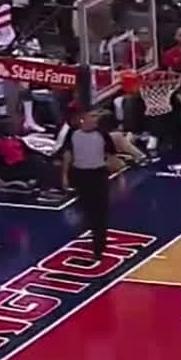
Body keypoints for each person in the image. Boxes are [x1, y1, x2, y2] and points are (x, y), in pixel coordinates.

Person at [60, 110, 118, 261]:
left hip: (98, 175)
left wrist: (112, 167)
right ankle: (93, 232)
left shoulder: (103, 134)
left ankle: (99, 247)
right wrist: (65, 176)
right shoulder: (73, 134)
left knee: (100, 212)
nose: (96, 119)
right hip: (80, 175)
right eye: (92, 116)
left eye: (96, 116)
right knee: (86, 208)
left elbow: (112, 154)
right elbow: (67, 154)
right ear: (83, 118)